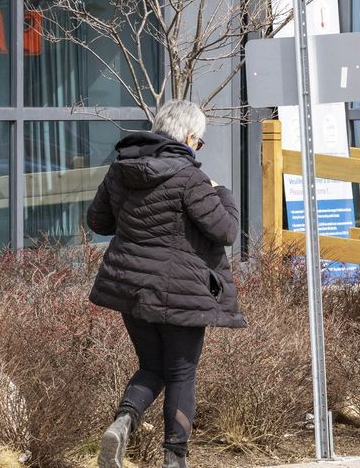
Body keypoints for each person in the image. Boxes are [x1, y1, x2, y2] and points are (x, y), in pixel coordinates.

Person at [87, 100, 246, 468]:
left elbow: (98, 220)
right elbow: (226, 231)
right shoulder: (190, 178)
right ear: (189, 137)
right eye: (200, 143)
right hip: (182, 293)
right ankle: (174, 459)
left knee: (152, 365)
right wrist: (221, 192)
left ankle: (123, 422)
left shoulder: (120, 169)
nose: (198, 149)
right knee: (181, 372)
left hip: (132, 288)